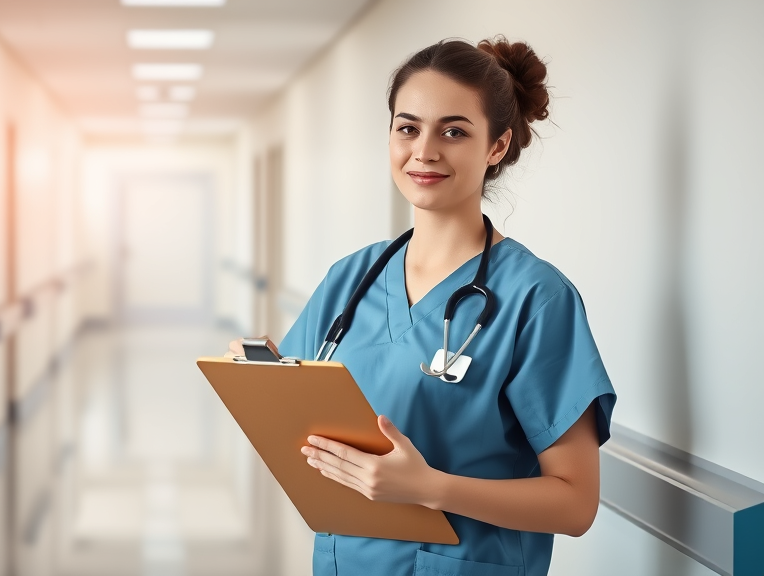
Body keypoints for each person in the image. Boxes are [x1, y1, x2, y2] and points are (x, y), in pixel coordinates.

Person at [227, 36, 616, 576]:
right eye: (407, 127)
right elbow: (307, 445)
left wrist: (430, 488)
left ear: (497, 146)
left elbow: (576, 505)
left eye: (454, 131)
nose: (425, 151)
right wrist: (267, 389)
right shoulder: (351, 279)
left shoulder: (537, 298)